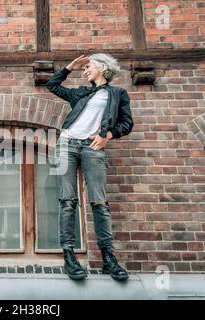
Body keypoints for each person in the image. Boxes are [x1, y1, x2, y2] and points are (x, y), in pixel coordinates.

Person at [46, 54, 134, 281]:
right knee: (68, 200)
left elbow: (127, 122)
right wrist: (69, 67)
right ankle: (69, 256)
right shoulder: (80, 93)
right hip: (67, 144)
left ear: (103, 68)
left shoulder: (117, 94)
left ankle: (109, 259)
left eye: (88, 67)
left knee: (99, 202)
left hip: (93, 147)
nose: (84, 71)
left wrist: (108, 136)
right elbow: (52, 85)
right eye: (83, 69)